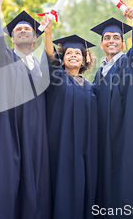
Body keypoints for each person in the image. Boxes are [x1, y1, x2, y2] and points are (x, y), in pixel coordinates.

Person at [0, 0, 51, 219]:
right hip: (7, 134)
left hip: (36, 138)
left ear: (35, 39)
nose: (23, 30)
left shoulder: (43, 69)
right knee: (7, 185)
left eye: (28, 29)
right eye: (17, 30)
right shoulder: (2, 60)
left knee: (35, 188)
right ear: (11, 38)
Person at [90, 12, 133, 218]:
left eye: (116, 37)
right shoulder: (98, 74)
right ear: (101, 44)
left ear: (124, 43)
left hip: (127, 134)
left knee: (129, 182)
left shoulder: (132, 62)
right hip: (103, 138)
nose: (111, 41)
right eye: (107, 38)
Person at [41, 17, 98, 219]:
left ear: (84, 60)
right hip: (61, 147)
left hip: (86, 151)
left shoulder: (92, 87)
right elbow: (50, 57)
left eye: (78, 54)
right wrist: (48, 33)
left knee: (85, 189)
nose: (73, 56)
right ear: (62, 58)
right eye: (69, 53)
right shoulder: (57, 78)